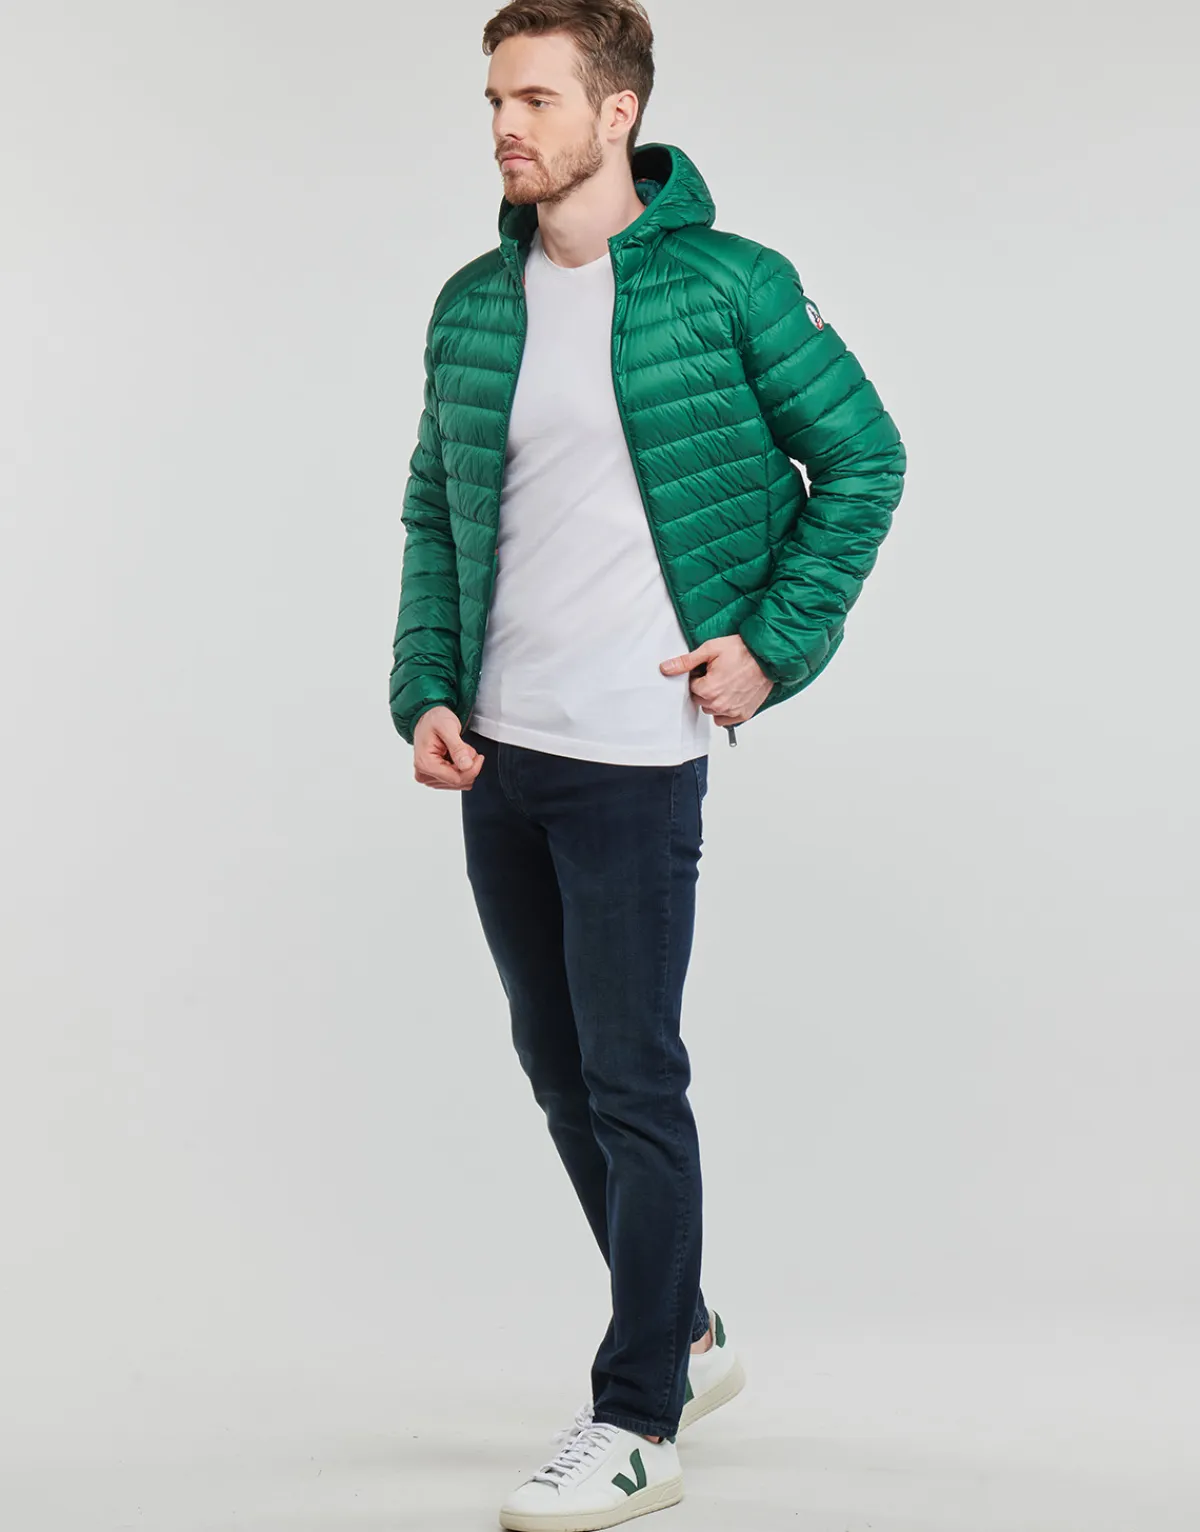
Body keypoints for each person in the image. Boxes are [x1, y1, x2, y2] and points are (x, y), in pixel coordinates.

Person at [388, 2, 906, 1525]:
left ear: (618, 114)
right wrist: (426, 685)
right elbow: (433, 509)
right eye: (495, 97)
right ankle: (682, 1328)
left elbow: (864, 459)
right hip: (501, 752)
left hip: (631, 749)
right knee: (558, 1070)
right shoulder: (472, 305)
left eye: (537, 98)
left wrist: (774, 647)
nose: (505, 124)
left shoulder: (733, 285)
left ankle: (637, 1421)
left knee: (632, 1076)